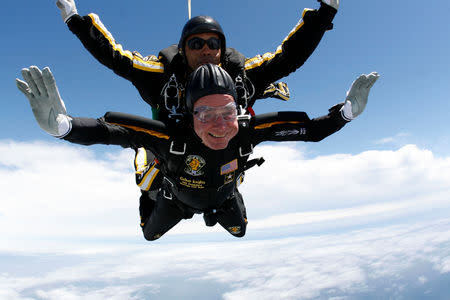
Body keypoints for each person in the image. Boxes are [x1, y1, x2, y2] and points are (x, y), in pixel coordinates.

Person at [16, 63, 379, 240]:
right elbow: (112, 131)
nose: (219, 125)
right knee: (149, 234)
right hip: (174, 198)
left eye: (226, 113)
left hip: (220, 197)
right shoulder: (169, 136)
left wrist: (345, 114)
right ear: (191, 116)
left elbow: (310, 131)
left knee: (240, 232)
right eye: (206, 114)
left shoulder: (247, 132)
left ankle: (201, 203)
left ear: (238, 111)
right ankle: (148, 176)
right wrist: (63, 127)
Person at [55, 0, 340, 217]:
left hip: (221, 145)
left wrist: (325, 13)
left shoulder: (241, 74)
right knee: (148, 187)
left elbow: (288, 59)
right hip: (171, 143)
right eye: (196, 43)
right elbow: (116, 58)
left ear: (222, 48)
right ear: (182, 49)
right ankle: (148, 159)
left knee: (234, 194)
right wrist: (74, 19)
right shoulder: (161, 74)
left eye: (213, 43)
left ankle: (232, 176)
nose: (206, 49)